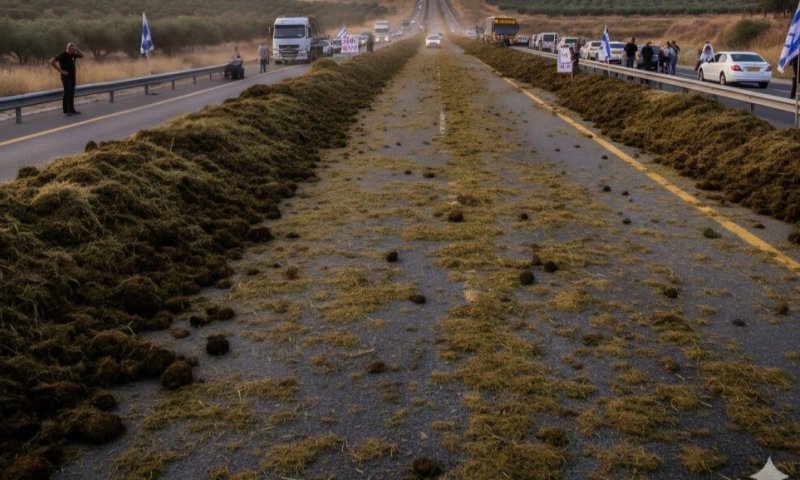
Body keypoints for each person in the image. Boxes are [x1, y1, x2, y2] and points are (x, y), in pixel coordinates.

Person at [49, 42, 84, 116]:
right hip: (66, 77)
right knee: (67, 93)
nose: (74, 51)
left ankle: (72, 110)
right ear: (69, 48)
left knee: (71, 93)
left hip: (72, 76)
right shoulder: (62, 55)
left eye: (74, 49)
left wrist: (77, 49)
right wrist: (61, 71)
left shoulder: (72, 54)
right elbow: (51, 61)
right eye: (73, 49)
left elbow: (82, 55)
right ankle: (66, 110)